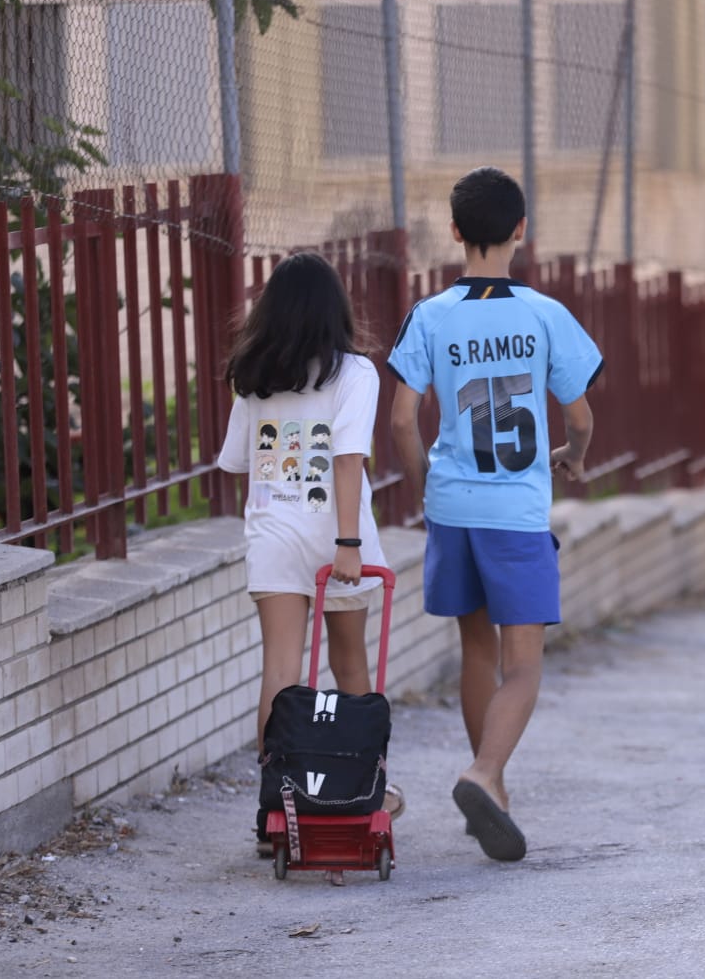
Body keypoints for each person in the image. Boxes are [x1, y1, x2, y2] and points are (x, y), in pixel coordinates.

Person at [388, 167, 602, 863]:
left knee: (475, 651)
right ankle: (482, 773)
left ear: (454, 232)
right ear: (521, 231)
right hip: (515, 511)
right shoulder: (543, 314)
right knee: (526, 666)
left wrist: (425, 483)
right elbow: (579, 413)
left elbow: (399, 420)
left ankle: (496, 790)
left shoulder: (431, 314)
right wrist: (572, 454)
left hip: (454, 505)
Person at [214, 252, 402, 860]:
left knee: (280, 672)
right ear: (336, 310)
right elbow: (349, 459)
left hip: (272, 535)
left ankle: (277, 803)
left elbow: (239, 462)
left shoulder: (253, 372)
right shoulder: (355, 374)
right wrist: (348, 542)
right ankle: (357, 790)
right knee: (351, 667)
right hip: (334, 539)